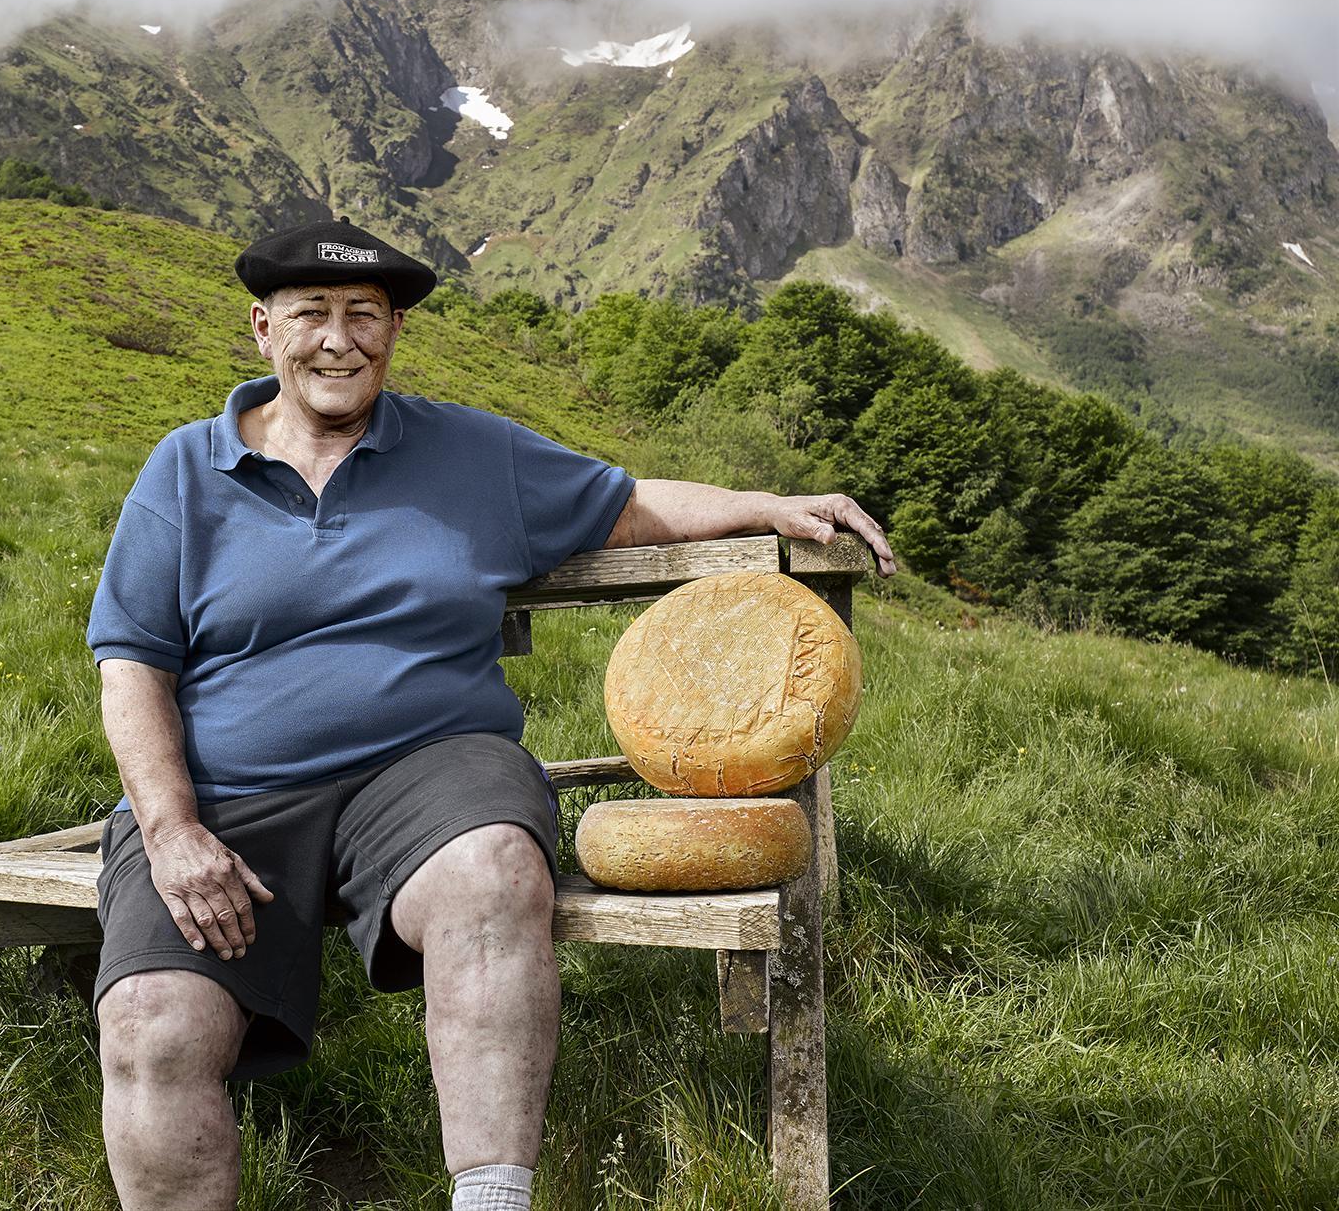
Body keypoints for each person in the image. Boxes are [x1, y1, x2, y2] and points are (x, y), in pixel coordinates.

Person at [86, 220, 895, 1211]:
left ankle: (493, 1202)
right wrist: (171, 831)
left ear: (393, 332)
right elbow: (131, 664)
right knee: (150, 1024)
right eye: (310, 314)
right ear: (263, 329)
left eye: (363, 315)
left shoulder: (471, 452)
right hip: (228, 795)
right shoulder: (183, 470)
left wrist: (765, 503)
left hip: (428, 771)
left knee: (495, 870)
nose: (337, 339)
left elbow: (627, 507)